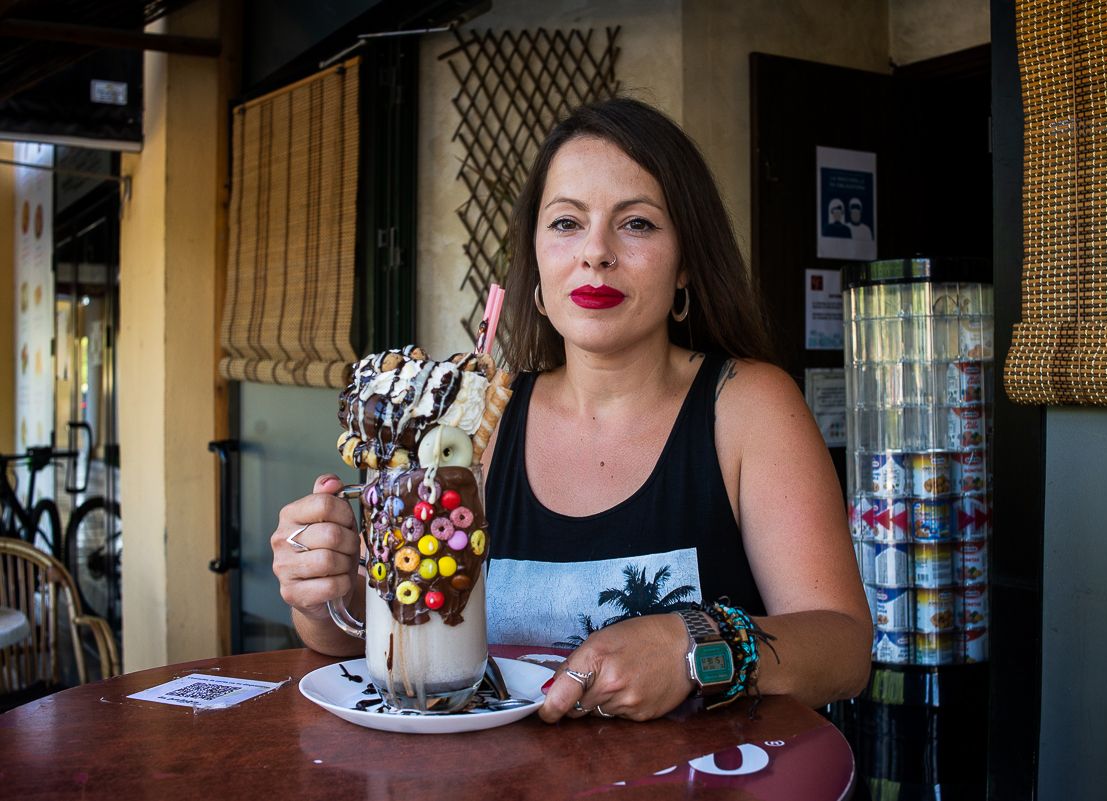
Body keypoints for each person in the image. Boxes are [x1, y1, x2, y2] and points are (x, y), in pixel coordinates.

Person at [271, 97, 872, 724]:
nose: (596, 252)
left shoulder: (747, 406)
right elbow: (381, 636)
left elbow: (844, 646)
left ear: (688, 262)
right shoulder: (474, 429)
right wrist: (322, 595)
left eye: (637, 223)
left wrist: (696, 646)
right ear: (535, 259)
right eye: (565, 223)